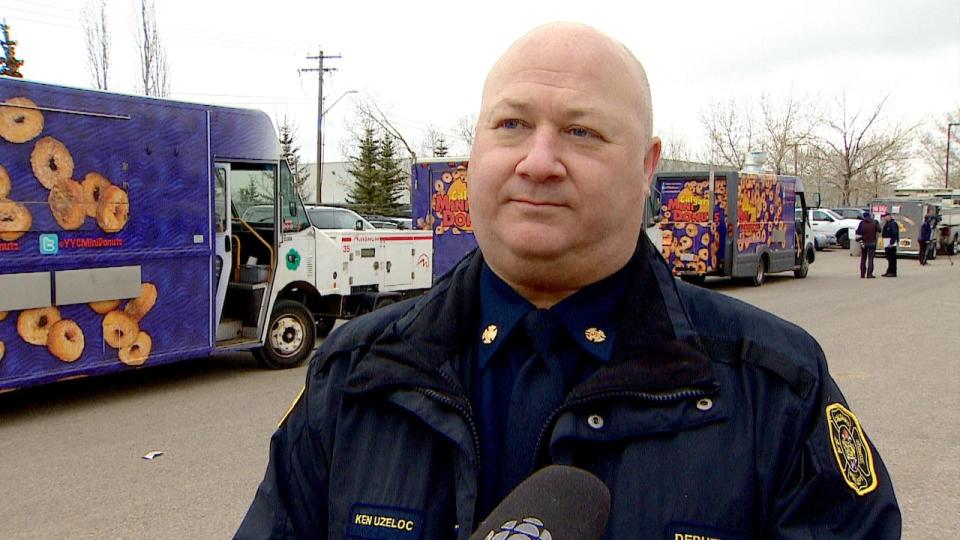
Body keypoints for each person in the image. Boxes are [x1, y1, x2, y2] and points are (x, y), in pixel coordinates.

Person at [236, 23, 900, 539]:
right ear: (475, 152)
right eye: (512, 125)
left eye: (581, 132)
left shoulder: (774, 388)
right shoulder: (358, 373)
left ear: (646, 166)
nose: (539, 161)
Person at [856, 211, 882, 278]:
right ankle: (869, 274)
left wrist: (860, 240)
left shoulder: (861, 223)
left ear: (864, 217)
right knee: (871, 258)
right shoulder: (875, 222)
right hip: (872, 242)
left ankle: (862, 274)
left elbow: (858, 232)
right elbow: (879, 230)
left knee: (863, 258)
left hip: (863, 243)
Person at [881, 212, 900, 277]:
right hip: (887, 243)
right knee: (889, 258)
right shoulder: (887, 223)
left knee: (892, 258)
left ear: (889, 216)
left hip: (891, 244)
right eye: (884, 217)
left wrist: (891, 243)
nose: (884, 218)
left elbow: (894, 234)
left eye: (885, 216)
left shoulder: (893, 224)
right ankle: (889, 271)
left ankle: (893, 272)